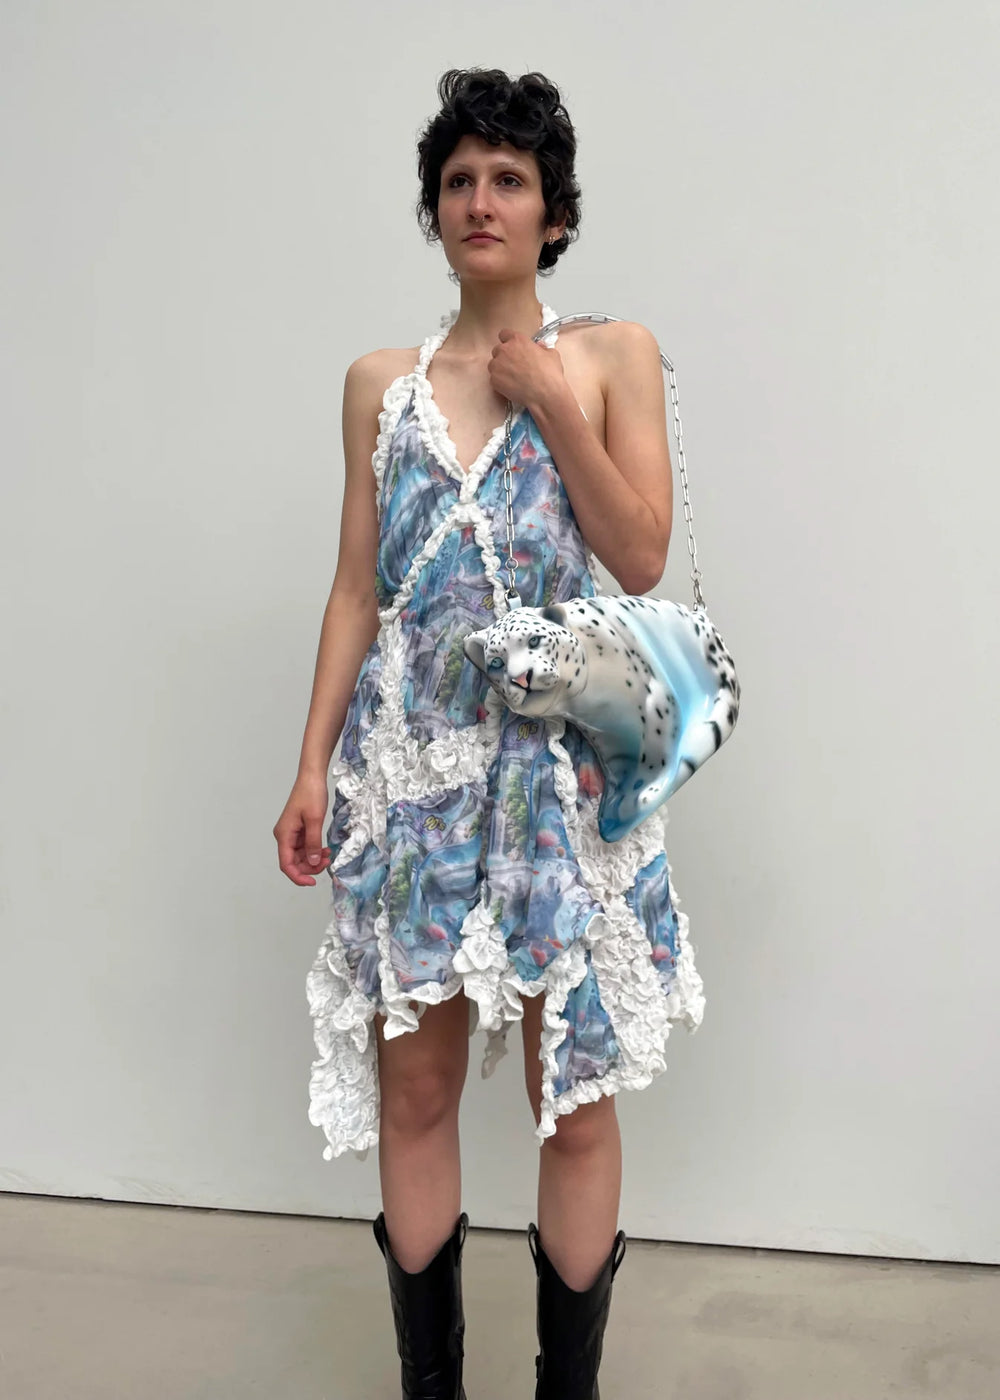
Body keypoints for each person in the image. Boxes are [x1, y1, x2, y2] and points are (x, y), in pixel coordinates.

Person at [273, 67, 706, 1400]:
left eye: (508, 180)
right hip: (409, 780)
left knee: (569, 1099)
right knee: (415, 1092)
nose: (481, 200)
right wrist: (308, 769)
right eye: (459, 180)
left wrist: (553, 402)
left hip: (561, 783)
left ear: (553, 215)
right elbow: (360, 586)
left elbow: (638, 557)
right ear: (435, 209)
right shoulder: (378, 386)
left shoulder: (612, 355)